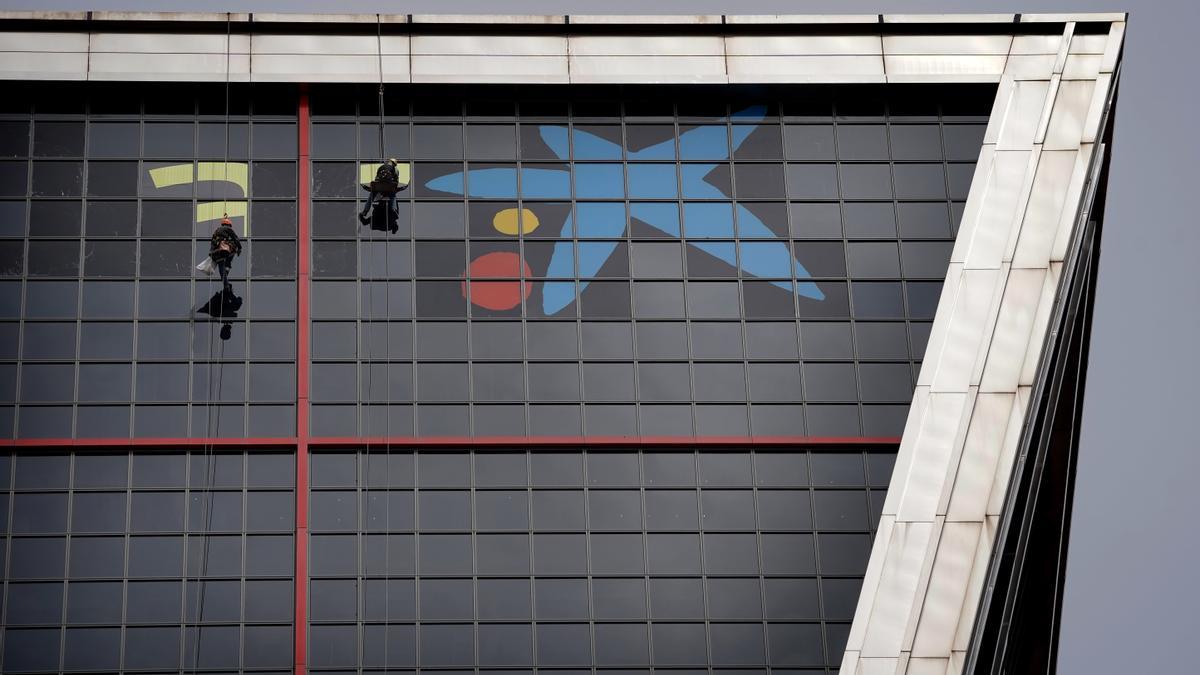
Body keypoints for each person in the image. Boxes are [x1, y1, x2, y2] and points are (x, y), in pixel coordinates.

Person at [359, 158, 403, 226]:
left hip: (378, 185)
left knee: (371, 196)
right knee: (393, 195)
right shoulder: (395, 169)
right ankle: (394, 209)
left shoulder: (381, 167)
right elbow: (396, 180)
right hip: (389, 185)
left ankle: (365, 211)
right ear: (394, 164)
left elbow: (376, 178)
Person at [209, 217, 242, 289]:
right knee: (233, 249)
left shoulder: (216, 231)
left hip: (216, 252)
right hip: (224, 250)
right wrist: (240, 248)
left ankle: (225, 284)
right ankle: (227, 270)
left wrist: (211, 252)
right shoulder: (227, 229)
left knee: (221, 266)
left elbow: (212, 242)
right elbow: (235, 238)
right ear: (228, 225)